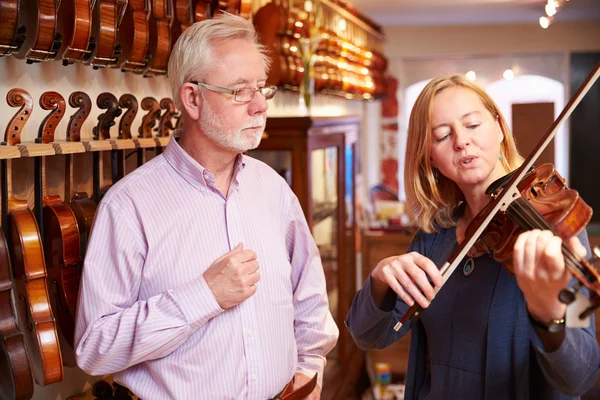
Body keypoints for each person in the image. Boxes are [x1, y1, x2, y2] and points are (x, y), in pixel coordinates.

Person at [75, 13, 338, 400]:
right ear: (193, 99)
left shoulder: (274, 190)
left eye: (262, 90)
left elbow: (309, 295)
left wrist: (309, 369)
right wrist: (204, 295)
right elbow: (95, 348)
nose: (260, 107)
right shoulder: (129, 206)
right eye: (240, 91)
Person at [346, 75, 600, 400]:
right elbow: (368, 336)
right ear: (429, 158)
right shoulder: (433, 239)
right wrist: (380, 280)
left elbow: (581, 374)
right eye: (442, 135)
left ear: (499, 128)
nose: (461, 141)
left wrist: (550, 314)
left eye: (473, 124)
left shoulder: (554, 230)